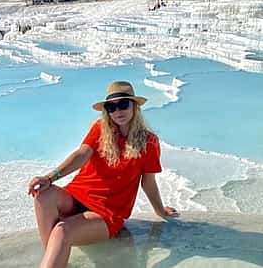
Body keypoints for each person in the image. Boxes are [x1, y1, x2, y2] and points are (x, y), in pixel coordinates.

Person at [28, 81, 178, 268]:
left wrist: (160, 210)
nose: (117, 111)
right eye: (111, 107)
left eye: (123, 104)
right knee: (44, 193)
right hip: (77, 197)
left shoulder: (149, 142)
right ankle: (55, 260)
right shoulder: (100, 128)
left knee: (61, 231)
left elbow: (148, 182)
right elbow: (81, 155)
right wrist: (50, 177)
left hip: (107, 211)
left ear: (134, 106)